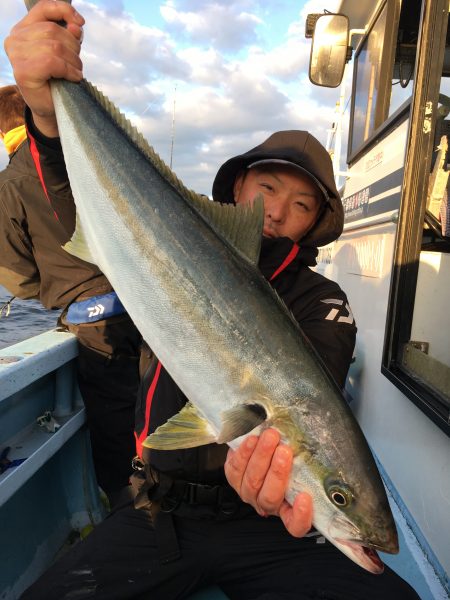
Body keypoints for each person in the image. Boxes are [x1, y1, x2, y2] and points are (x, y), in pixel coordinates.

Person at [6, 3, 420, 599]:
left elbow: (312, 390)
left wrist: (273, 475)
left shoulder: (323, 299)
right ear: (238, 187)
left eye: (302, 205)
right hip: (156, 514)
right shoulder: (163, 247)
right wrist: (46, 116)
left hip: (269, 528)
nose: (278, 211)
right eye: (268, 188)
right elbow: (69, 222)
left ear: (314, 225)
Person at [0, 82, 142, 507]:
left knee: (117, 433)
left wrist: (51, 285)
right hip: (146, 305)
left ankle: (133, 520)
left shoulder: (12, 183)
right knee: (156, 411)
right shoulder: (92, 164)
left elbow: (17, 277)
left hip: (97, 323)